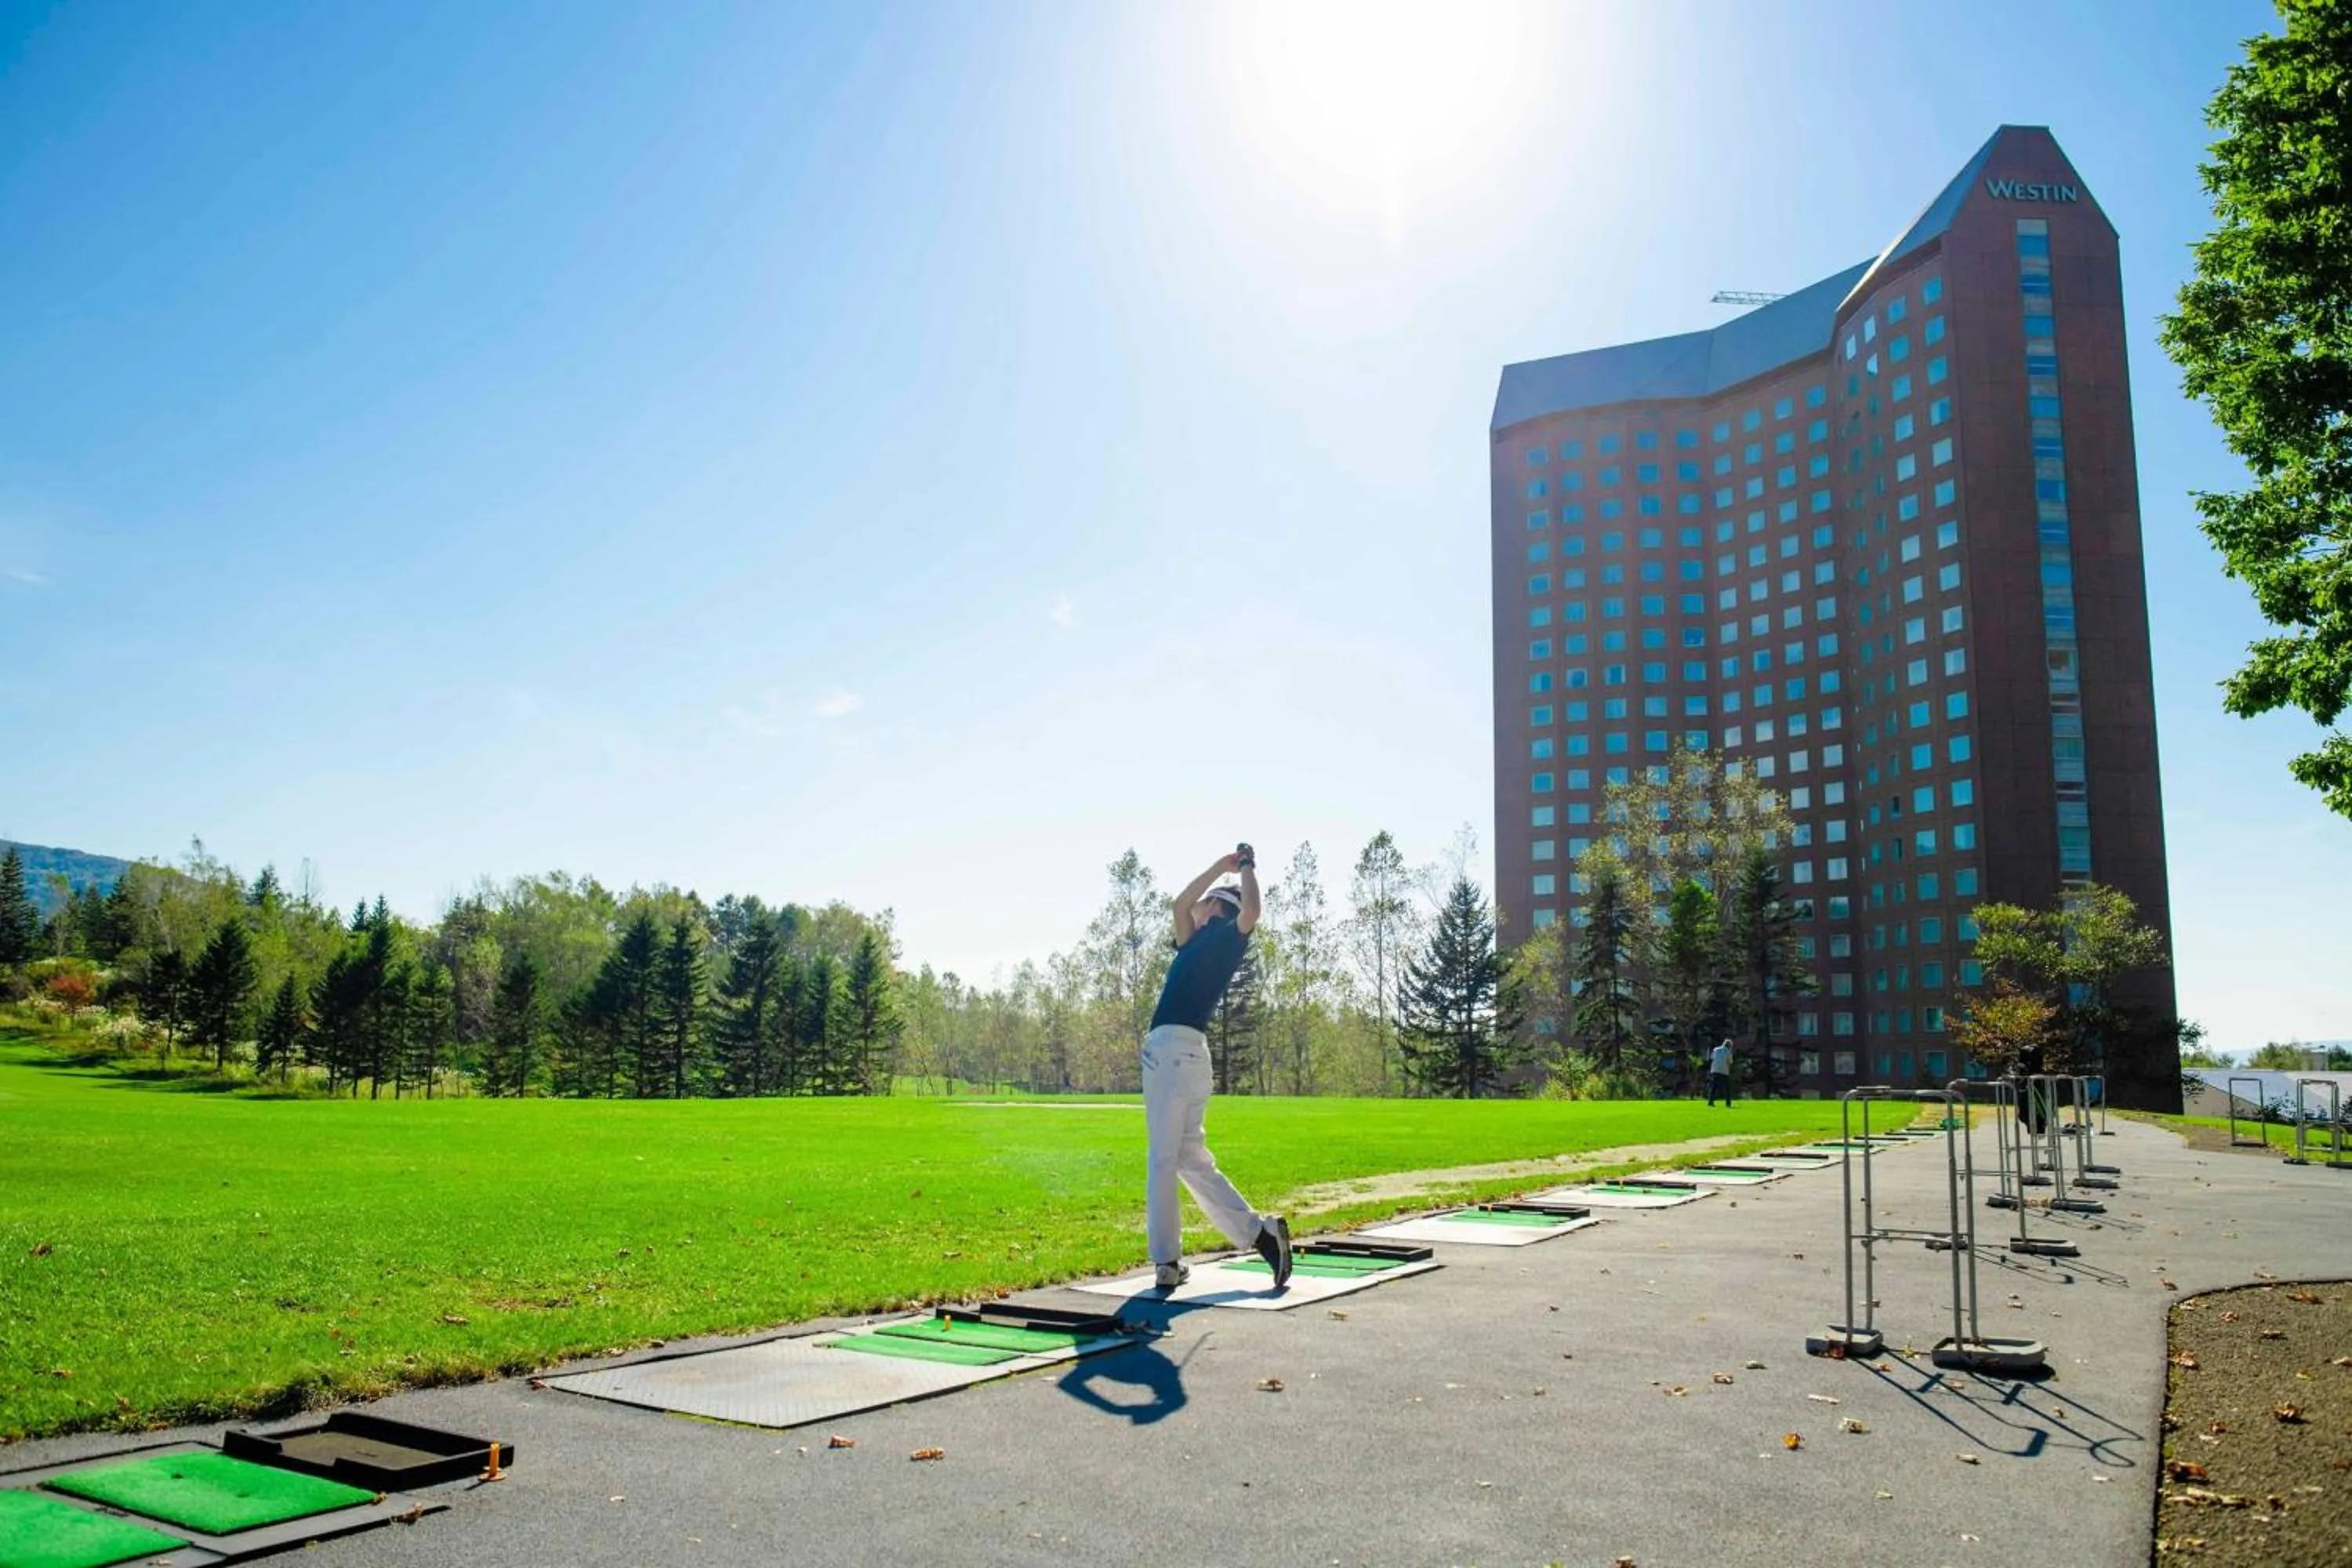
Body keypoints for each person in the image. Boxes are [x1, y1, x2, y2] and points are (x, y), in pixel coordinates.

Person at [1142, 844, 1292, 1291]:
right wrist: (1221, 867)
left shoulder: (1225, 936)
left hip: (1170, 1054)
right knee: (1191, 1160)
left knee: (1162, 1159)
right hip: (1191, 1058)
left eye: (1206, 901)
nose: (1197, 905)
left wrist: (1244, 867)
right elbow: (1179, 904)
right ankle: (1260, 1234)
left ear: (1215, 907)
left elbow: (1251, 910)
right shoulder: (1199, 941)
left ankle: (1167, 1261)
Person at [1706, 1037, 1734, 1107]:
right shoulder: (1728, 1052)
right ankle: (1728, 1103)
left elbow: (1712, 1058)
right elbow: (1730, 1063)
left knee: (1713, 1087)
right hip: (1724, 1071)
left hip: (1715, 1070)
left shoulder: (1716, 1050)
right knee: (1727, 1088)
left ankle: (1710, 1101)